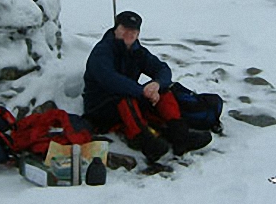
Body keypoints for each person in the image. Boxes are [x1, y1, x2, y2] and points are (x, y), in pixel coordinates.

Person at [82, 11, 213, 163]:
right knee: (125, 99)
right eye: (125, 29)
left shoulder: (138, 51)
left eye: (133, 31)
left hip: (129, 100)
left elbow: (163, 70)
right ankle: (144, 141)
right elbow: (111, 80)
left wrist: (156, 85)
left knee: (164, 91)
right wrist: (142, 91)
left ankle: (180, 136)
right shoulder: (102, 51)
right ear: (116, 28)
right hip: (99, 108)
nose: (129, 34)